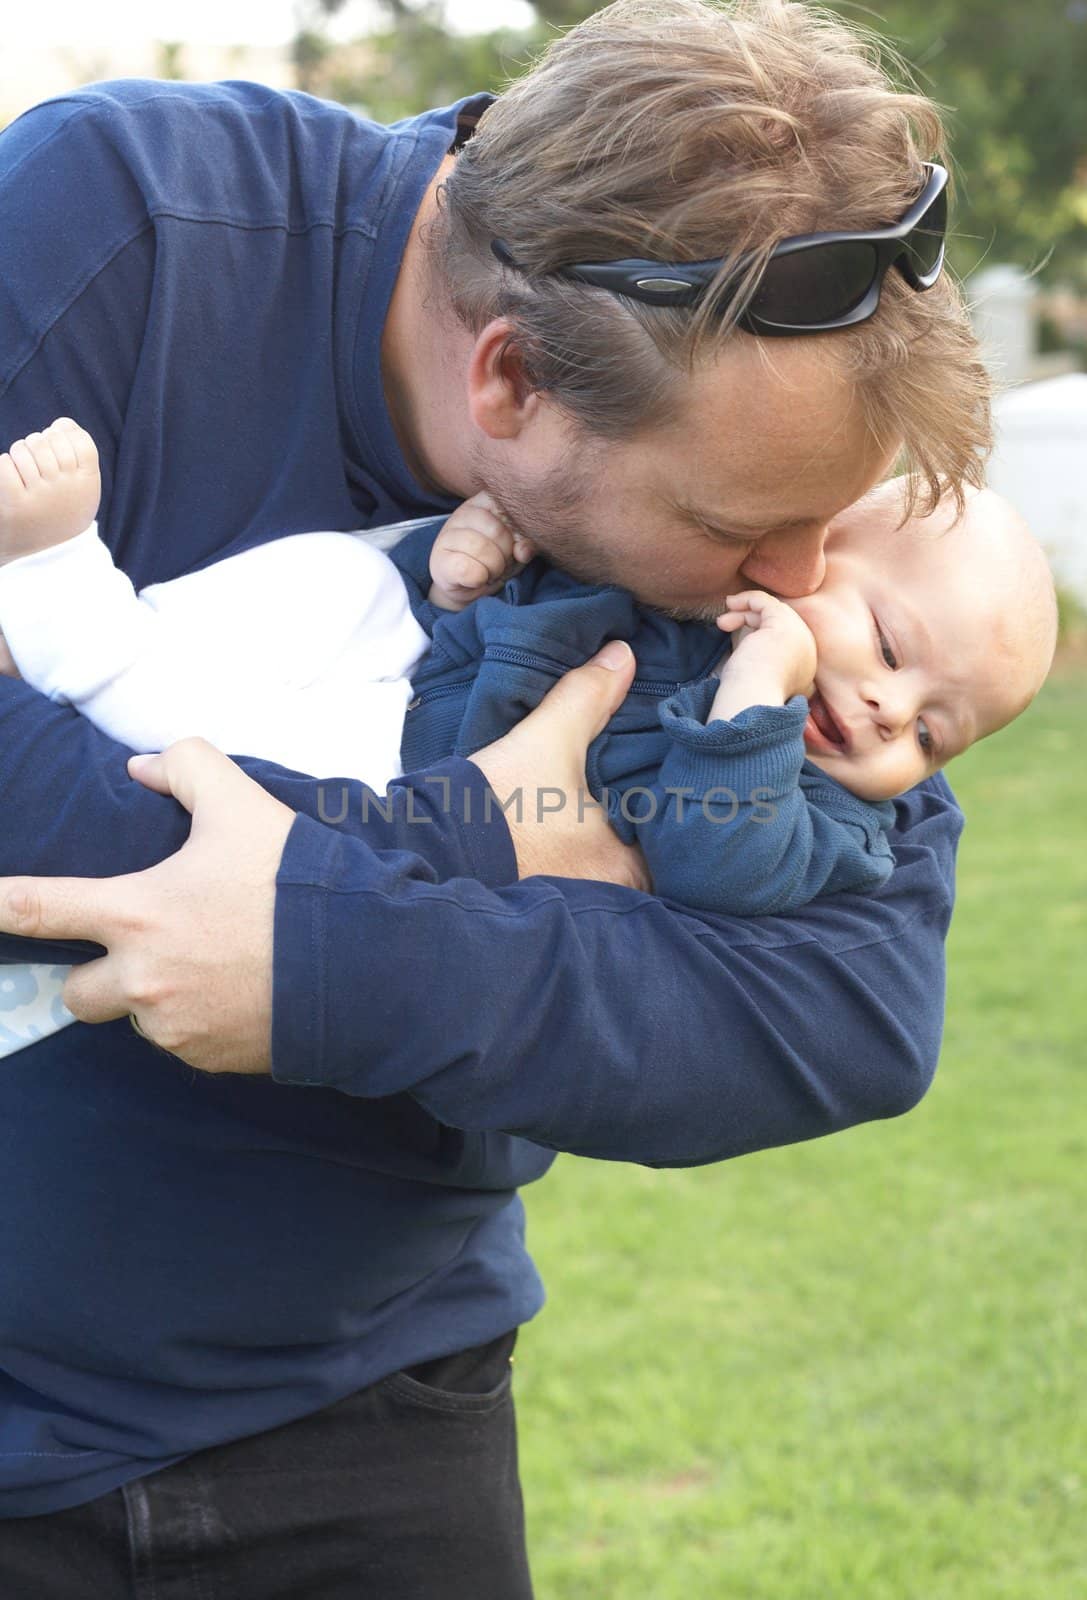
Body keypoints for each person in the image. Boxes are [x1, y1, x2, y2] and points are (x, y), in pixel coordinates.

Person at [0, 0, 993, 1591]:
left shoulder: (759, 487)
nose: (804, 591)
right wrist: (479, 840)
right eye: (745, 523)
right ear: (511, 380)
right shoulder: (125, 222)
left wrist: (329, 957)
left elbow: (839, 1008)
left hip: (372, 1423)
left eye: (832, 522)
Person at [0, 424, 1056, 995]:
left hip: (410, 785)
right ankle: (106, 627)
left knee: (238, 743)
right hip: (419, 648)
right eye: (891, 650)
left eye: (931, 731)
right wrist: (484, 547)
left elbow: (716, 866)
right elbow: (578, 549)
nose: (884, 711)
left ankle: (67, 612)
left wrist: (752, 698)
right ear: (809, 552)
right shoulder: (693, 583)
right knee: (323, 576)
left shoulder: (827, 829)